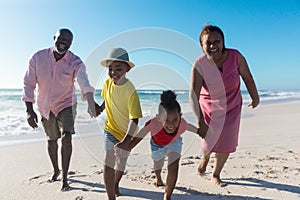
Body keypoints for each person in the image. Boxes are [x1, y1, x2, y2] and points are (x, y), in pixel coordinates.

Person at [22, 28, 99, 191]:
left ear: (71, 44)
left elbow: (83, 81)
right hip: (45, 105)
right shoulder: (38, 57)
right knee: (51, 140)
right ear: (54, 38)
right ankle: (56, 170)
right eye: (61, 38)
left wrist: (91, 102)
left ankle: (65, 178)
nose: (64, 42)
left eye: (68, 41)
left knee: (67, 137)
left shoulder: (76, 62)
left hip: (67, 103)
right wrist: (29, 110)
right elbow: (28, 84)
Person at [190, 25, 260, 186]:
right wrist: (200, 121)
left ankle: (216, 174)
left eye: (217, 41)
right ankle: (205, 158)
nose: (213, 46)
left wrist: (255, 97)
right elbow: (193, 95)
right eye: (208, 43)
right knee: (208, 142)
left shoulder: (236, 56)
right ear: (202, 45)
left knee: (227, 142)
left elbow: (248, 78)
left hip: (232, 106)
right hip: (209, 108)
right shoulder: (199, 64)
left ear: (223, 42)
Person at [116, 90, 202, 200]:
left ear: (180, 116)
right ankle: (158, 178)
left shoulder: (182, 123)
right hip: (157, 145)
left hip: (174, 142)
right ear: (159, 117)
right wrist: (127, 147)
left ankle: (167, 196)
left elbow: (193, 129)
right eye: (166, 120)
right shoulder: (153, 123)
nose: (171, 124)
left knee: (173, 165)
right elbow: (139, 136)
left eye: (175, 119)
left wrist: (202, 132)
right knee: (158, 165)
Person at [96, 47, 143, 200]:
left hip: (127, 134)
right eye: (110, 68)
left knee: (121, 166)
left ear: (127, 69)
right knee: (109, 160)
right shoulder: (107, 83)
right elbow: (107, 99)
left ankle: (115, 183)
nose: (113, 72)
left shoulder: (131, 91)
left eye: (118, 68)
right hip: (110, 129)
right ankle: (111, 197)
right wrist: (100, 108)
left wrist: (125, 141)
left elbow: (134, 120)